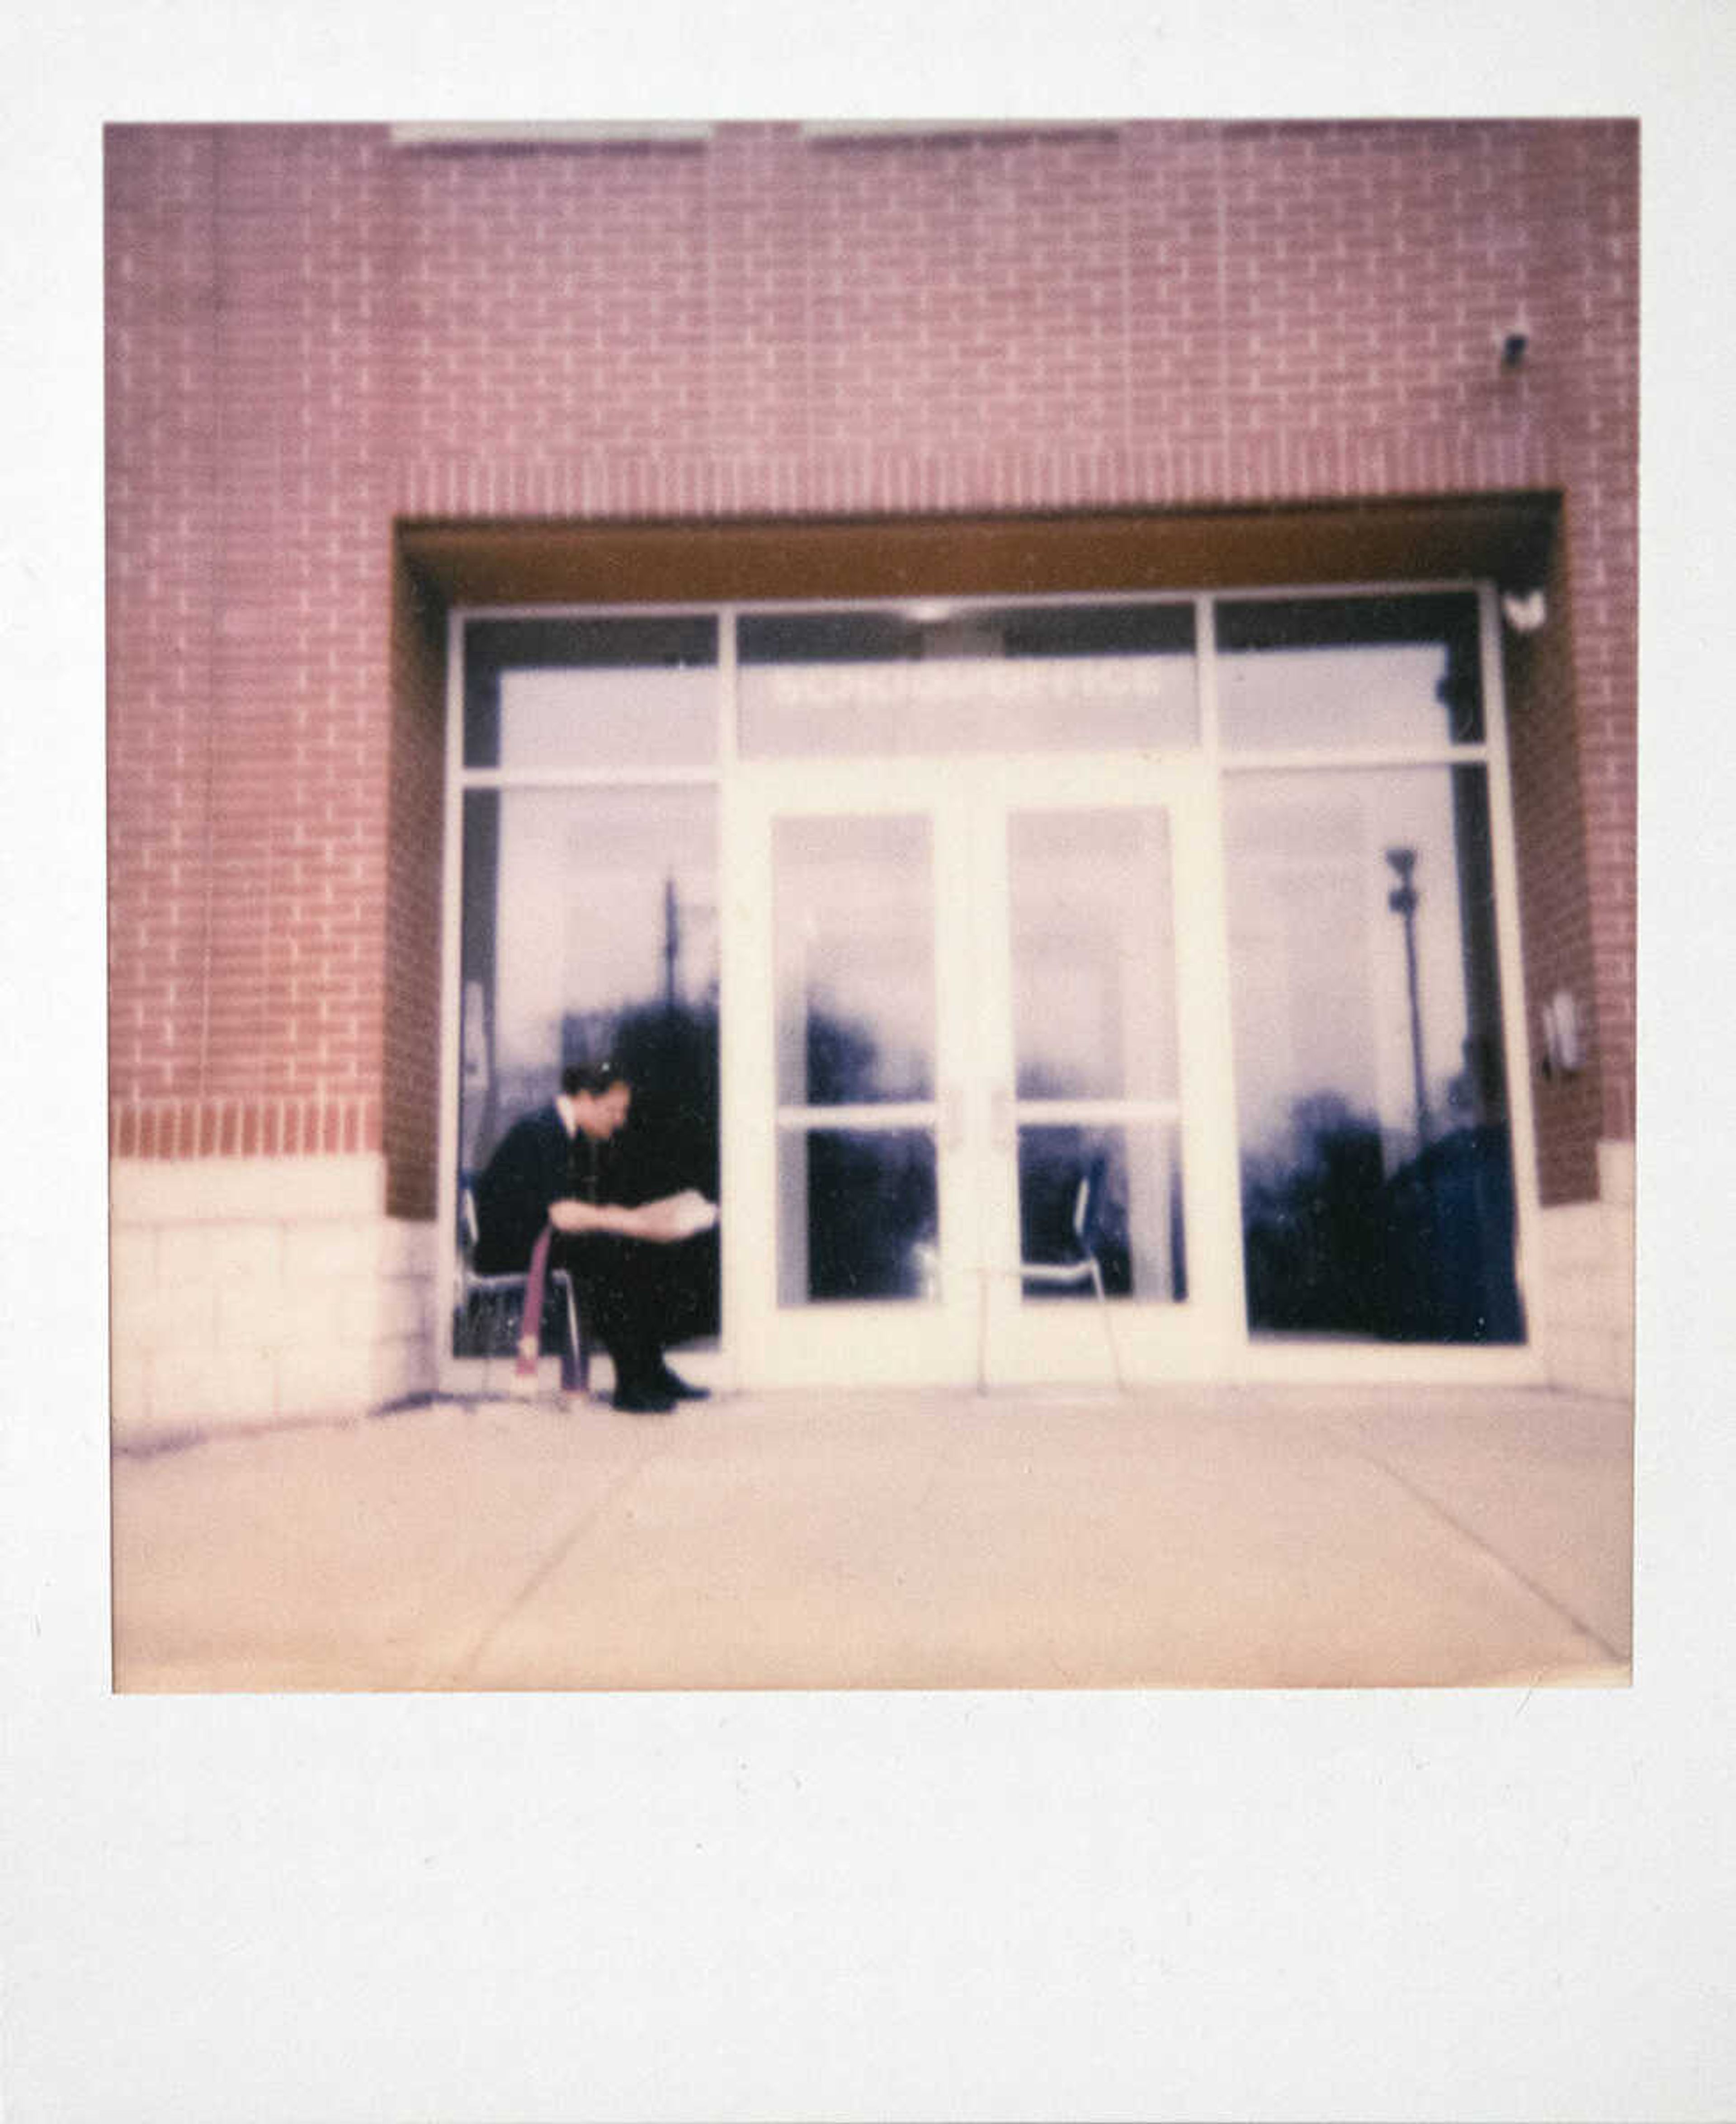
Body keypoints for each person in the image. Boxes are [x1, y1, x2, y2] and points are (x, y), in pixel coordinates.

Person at [471, 1060, 718, 1413]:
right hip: (508, 1249)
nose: (620, 1120)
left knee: (631, 1246)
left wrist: (630, 1222)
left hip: (533, 1238)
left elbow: (571, 1213)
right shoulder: (543, 1131)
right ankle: (632, 1383)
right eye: (613, 1110)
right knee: (612, 1249)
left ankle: (651, 1371)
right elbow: (561, 1213)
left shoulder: (565, 1132)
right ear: (585, 1098)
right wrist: (629, 1222)